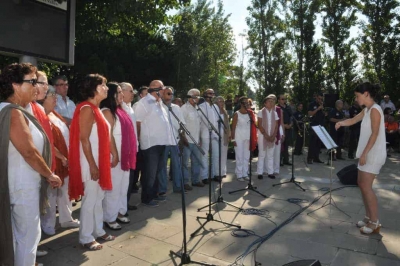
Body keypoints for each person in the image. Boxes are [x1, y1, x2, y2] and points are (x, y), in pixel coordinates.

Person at [0, 63, 62, 266]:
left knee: (17, 238)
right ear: (15, 85)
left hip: (14, 183)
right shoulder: (13, 112)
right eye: (31, 81)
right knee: (28, 237)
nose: (36, 86)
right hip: (22, 185)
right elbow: (28, 152)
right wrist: (49, 174)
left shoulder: (7, 109)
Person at [69, 74, 115, 250]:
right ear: (94, 88)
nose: (106, 88)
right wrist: (93, 165)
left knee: (98, 197)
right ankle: (86, 237)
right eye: (103, 84)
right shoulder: (87, 108)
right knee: (90, 199)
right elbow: (84, 139)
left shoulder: (96, 108)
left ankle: (98, 230)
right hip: (91, 162)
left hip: (98, 161)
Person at [335, 82, 386, 235]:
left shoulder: (376, 110)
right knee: (361, 184)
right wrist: (340, 123)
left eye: (357, 96)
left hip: (373, 154)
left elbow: (375, 134)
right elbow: (353, 120)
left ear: (366, 94)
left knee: (366, 187)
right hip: (367, 153)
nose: (356, 99)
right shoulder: (367, 110)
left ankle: (375, 222)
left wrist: (364, 154)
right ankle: (368, 217)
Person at [38, 85, 80, 236]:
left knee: (65, 191)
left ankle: (66, 219)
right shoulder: (41, 116)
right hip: (51, 162)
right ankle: (48, 225)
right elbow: (48, 142)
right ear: (43, 99)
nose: (55, 98)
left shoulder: (54, 114)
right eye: (52, 96)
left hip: (65, 161)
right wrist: (61, 157)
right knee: (51, 195)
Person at [101, 82, 137, 230]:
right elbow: (108, 136)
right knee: (113, 188)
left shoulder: (120, 110)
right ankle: (109, 217)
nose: (122, 95)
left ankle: (120, 212)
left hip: (125, 154)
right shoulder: (106, 111)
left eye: (123, 92)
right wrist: (115, 154)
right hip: (114, 155)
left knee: (123, 186)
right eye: (119, 92)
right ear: (112, 95)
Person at [135, 80, 174, 207]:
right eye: (162, 88)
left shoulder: (160, 103)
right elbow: (138, 123)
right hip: (150, 144)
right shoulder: (144, 103)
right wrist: (138, 140)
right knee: (149, 173)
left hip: (162, 142)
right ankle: (146, 198)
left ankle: (154, 194)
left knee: (157, 171)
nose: (165, 90)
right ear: (155, 89)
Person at [161, 86, 187, 193]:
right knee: (162, 167)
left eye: (171, 94)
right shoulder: (158, 107)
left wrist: (182, 138)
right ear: (162, 94)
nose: (170, 96)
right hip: (162, 141)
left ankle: (178, 187)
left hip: (175, 141)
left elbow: (182, 124)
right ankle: (162, 189)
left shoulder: (176, 108)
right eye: (167, 94)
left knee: (177, 165)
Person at [119, 82, 139, 211]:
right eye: (130, 91)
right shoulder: (119, 108)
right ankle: (120, 208)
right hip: (124, 150)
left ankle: (125, 204)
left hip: (133, 149)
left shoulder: (129, 107)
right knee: (123, 181)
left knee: (130, 180)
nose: (133, 94)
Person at [181, 89, 205, 188]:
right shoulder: (184, 108)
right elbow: (181, 125)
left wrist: (199, 139)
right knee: (185, 163)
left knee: (196, 162)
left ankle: (195, 180)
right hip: (187, 140)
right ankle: (185, 182)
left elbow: (199, 126)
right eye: (195, 96)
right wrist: (183, 138)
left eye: (198, 96)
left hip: (196, 141)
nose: (198, 98)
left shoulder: (198, 109)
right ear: (190, 97)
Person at [231, 97, 257, 181]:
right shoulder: (237, 114)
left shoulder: (250, 114)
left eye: (248, 103)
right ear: (241, 104)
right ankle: (239, 174)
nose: (247, 104)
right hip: (238, 138)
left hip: (247, 138)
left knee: (246, 156)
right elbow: (233, 128)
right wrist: (233, 139)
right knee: (239, 156)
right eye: (245, 102)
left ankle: (245, 173)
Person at [198, 88, 219, 184]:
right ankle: (204, 176)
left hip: (215, 134)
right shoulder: (201, 106)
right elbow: (200, 121)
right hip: (205, 133)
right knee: (205, 155)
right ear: (205, 94)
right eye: (209, 93)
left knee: (215, 155)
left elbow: (217, 120)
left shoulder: (215, 107)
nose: (211, 95)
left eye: (213, 93)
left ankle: (215, 174)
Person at [256, 95, 279, 180]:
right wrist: (266, 135)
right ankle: (260, 172)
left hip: (272, 136)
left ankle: (270, 172)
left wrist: (273, 136)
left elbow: (276, 126)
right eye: (269, 101)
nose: (271, 103)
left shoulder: (275, 113)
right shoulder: (261, 112)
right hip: (262, 136)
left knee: (270, 155)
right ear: (265, 103)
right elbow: (259, 125)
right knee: (262, 154)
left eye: (272, 101)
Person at [214, 96, 231, 179]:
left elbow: (227, 125)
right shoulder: (213, 111)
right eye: (219, 101)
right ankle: (217, 173)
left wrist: (229, 134)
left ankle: (223, 171)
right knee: (217, 155)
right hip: (215, 135)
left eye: (222, 101)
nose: (221, 103)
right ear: (215, 103)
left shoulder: (225, 112)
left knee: (224, 154)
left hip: (224, 135)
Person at [307, 93, 325, 164]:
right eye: (319, 98)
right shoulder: (312, 104)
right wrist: (318, 109)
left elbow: (325, 114)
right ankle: (310, 158)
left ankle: (316, 158)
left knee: (318, 143)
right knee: (312, 143)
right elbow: (310, 113)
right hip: (314, 125)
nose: (320, 100)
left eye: (321, 99)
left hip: (321, 126)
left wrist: (324, 111)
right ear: (316, 98)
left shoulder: (322, 105)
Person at [278, 94, 293, 165]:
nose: (284, 100)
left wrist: (290, 124)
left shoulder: (288, 107)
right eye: (282, 99)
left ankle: (286, 160)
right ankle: (279, 161)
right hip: (281, 128)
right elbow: (277, 120)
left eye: (285, 99)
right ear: (279, 100)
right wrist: (284, 125)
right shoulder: (277, 108)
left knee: (286, 145)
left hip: (288, 127)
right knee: (281, 145)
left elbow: (292, 116)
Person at [271, 95, 284, 175]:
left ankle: (276, 169)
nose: (271, 101)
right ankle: (268, 169)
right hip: (268, 133)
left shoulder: (279, 110)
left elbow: (281, 122)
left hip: (278, 132)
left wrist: (283, 134)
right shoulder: (265, 109)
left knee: (276, 151)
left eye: (273, 100)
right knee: (269, 152)